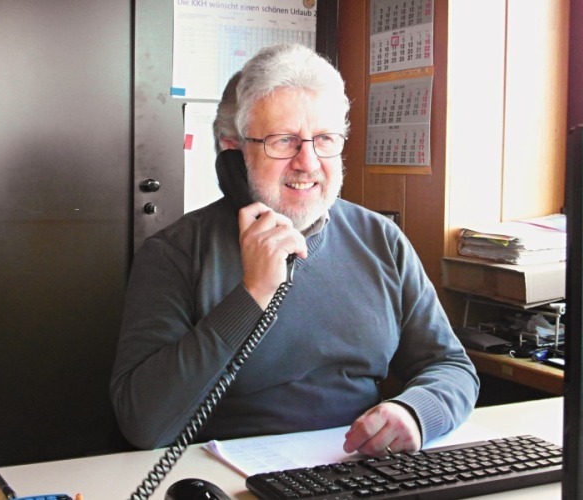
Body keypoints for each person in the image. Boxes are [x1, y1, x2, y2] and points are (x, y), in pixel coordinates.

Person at [110, 43, 479, 457]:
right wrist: (252, 293)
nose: (308, 162)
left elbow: (450, 366)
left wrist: (416, 412)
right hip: (227, 474)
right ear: (233, 153)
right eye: (284, 141)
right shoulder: (175, 253)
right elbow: (143, 423)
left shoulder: (381, 240)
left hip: (357, 467)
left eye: (324, 139)